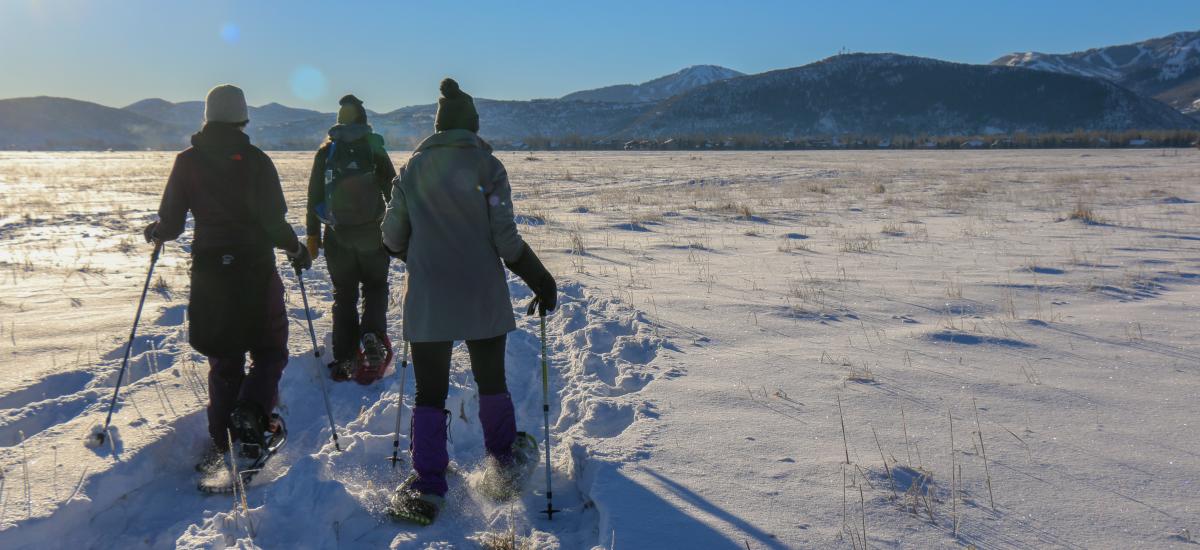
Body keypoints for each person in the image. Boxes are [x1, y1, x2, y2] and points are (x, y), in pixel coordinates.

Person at [380, 78, 557, 525]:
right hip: (482, 292)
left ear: (438, 127)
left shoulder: (410, 170)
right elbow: (505, 238)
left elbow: (390, 237)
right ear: (472, 125)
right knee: (491, 380)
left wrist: (419, 256)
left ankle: (428, 482)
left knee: (429, 391)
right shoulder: (489, 167)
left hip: (428, 296)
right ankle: (502, 460)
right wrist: (539, 278)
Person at [143, 84, 311, 470]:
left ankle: (224, 444)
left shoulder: (187, 162)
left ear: (208, 116)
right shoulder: (256, 160)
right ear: (242, 117)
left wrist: (155, 231)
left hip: (210, 271)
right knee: (270, 349)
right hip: (255, 268)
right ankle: (251, 416)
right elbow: (273, 222)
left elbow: (171, 223)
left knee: (224, 358)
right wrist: (296, 249)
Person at [306, 94, 397, 383]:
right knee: (375, 287)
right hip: (372, 234)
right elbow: (393, 192)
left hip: (338, 237)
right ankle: (372, 335)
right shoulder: (374, 148)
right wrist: (399, 229)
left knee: (344, 296)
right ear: (363, 119)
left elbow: (313, 197)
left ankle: (345, 359)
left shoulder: (327, 150)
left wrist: (312, 235)